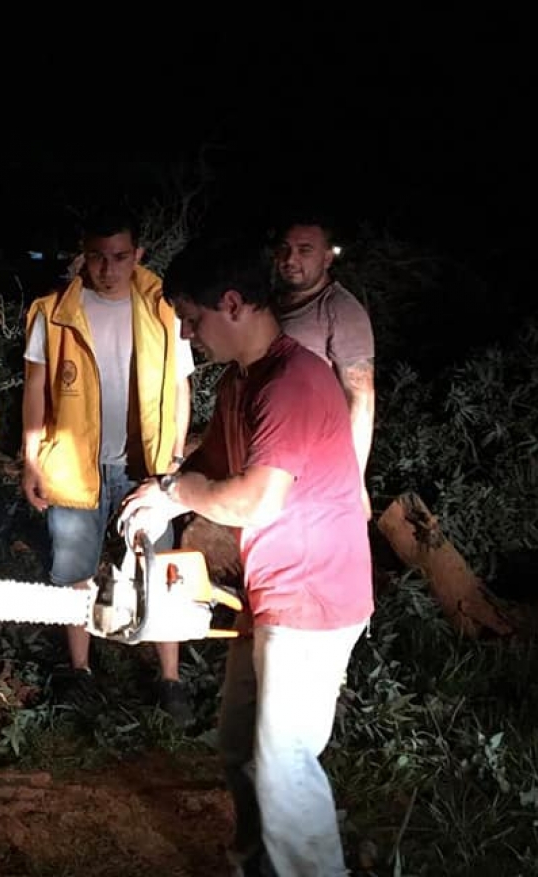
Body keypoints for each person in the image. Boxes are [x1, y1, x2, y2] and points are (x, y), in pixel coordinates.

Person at [120, 238, 373, 876]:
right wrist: (166, 492)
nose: (186, 333)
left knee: (284, 761)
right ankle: (256, 865)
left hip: (313, 599)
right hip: (272, 592)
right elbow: (215, 464)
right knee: (240, 747)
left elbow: (255, 499)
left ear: (231, 304)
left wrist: (178, 493)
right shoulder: (242, 382)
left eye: (191, 317)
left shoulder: (291, 383)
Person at [21, 216, 196, 724]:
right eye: (98, 256)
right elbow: (36, 387)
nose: (108, 268)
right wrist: (31, 458)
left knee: (159, 570)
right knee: (73, 571)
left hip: (147, 468)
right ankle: (80, 673)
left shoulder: (164, 306)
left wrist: (175, 462)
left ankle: (170, 679)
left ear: (138, 254)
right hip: (75, 466)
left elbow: (181, 386)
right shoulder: (55, 311)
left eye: (120, 257)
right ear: (83, 253)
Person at [274, 219, 375, 516]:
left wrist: (353, 482)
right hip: (274, 457)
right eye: (285, 249)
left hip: (315, 467)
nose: (291, 259)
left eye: (305, 250)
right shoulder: (273, 303)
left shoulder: (340, 310)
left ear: (327, 258)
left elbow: (361, 399)